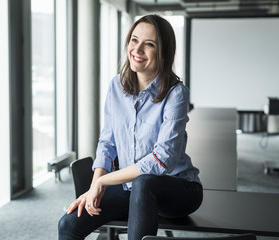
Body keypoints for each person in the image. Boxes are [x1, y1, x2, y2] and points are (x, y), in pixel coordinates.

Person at [58, 14, 203, 240]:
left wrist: (105, 181)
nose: (138, 49)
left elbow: (161, 159)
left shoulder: (176, 93)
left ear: (164, 52)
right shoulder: (116, 86)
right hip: (132, 189)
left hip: (179, 190)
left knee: (145, 183)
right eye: (134, 40)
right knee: (68, 224)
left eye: (149, 44)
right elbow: (107, 143)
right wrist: (94, 185)